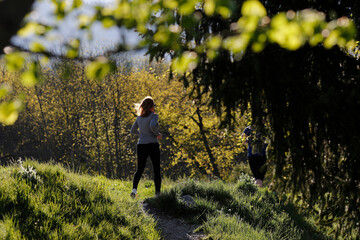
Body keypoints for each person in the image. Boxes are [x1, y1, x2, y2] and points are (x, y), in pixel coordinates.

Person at [130, 96, 162, 198]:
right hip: (152, 144)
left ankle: (134, 191)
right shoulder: (154, 116)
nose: (154, 108)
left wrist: (141, 134)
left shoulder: (139, 118)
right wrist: (157, 134)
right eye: (154, 106)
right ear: (151, 107)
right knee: (156, 169)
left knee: (139, 169)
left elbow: (132, 131)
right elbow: (152, 126)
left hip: (141, 145)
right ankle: (157, 194)